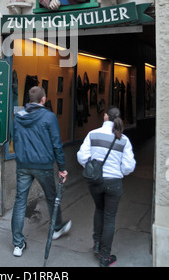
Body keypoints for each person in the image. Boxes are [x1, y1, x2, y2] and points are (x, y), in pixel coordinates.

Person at [11, 86, 71, 257]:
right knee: (52, 198)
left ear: (30, 100)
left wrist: (20, 156)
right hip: (43, 165)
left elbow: (15, 138)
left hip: (23, 165)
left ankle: (18, 244)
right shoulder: (49, 116)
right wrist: (62, 168)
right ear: (43, 99)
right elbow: (57, 144)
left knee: (20, 202)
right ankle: (57, 228)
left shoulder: (19, 116)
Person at [77, 106, 136, 267]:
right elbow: (129, 166)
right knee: (109, 218)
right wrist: (119, 171)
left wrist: (91, 166)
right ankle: (104, 256)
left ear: (105, 117)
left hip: (96, 182)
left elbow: (81, 156)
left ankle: (97, 243)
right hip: (114, 183)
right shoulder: (123, 139)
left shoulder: (93, 134)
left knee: (99, 209)